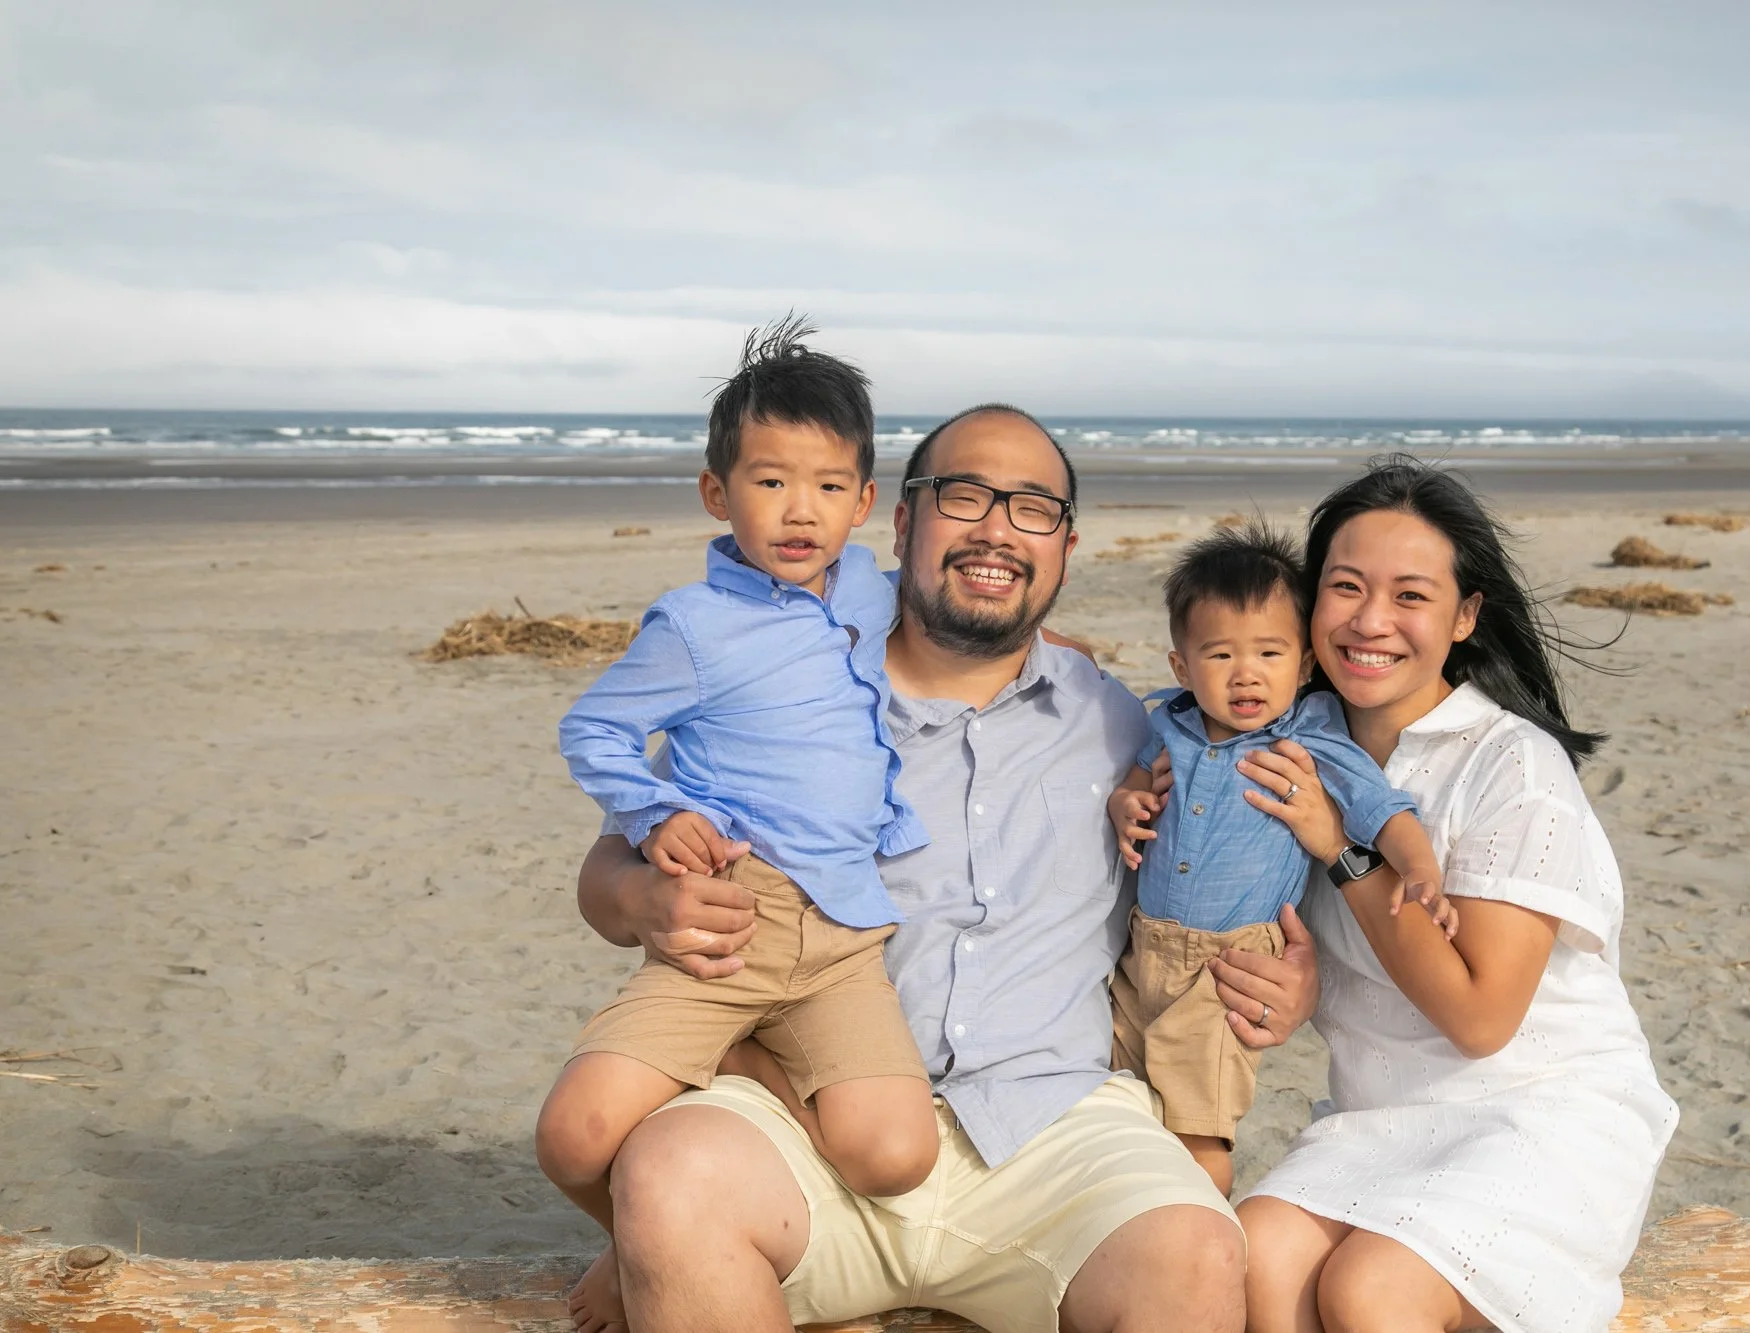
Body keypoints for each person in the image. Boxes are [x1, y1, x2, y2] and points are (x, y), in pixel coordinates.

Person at [568, 405, 1320, 1333]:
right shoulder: (785, 686)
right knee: (670, 1176)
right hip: (808, 1119)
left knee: (1198, 1253)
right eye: (964, 496)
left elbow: (1230, 870)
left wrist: (1290, 975)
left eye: (1033, 507)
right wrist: (645, 897)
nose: (997, 527)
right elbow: (608, 873)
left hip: (1052, 1130)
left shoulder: (1128, 725)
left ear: (1066, 546)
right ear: (901, 522)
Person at [538, 319, 939, 1324]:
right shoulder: (693, 625)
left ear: (863, 502)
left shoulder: (866, 591)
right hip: (731, 922)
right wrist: (653, 807)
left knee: (895, 1152)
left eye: (826, 485)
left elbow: (965, 626)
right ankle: (643, 1251)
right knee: (575, 1133)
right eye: (768, 481)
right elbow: (594, 729)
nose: (798, 509)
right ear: (717, 493)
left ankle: (743, 1068)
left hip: (846, 931)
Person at [1229, 458, 1678, 1333]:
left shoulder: (1511, 761)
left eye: (1410, 596)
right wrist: (1292, 990)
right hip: (1379, 1116)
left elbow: (1481, 1017)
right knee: (1254, 1253)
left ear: (1466, 616)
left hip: (1538, 1109)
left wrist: (1341, 849)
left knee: (1370, 1291)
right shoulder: (1290, 743)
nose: (1369, 622)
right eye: (1345, 587)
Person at [1104, 521, 1453, 1194]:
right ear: (1181, 665)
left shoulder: (1309, 740)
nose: (1246, 674)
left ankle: (1202, 1225)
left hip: (1228, 964)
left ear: (1303, 663)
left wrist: (1420, 869)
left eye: (1269, 652)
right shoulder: (1168, 721)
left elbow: (1381, 807)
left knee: (1196, 1124)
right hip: (1140, 949)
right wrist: (1129, 799)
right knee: (1115, 1096)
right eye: (1219, 655)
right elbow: (1139, 779)